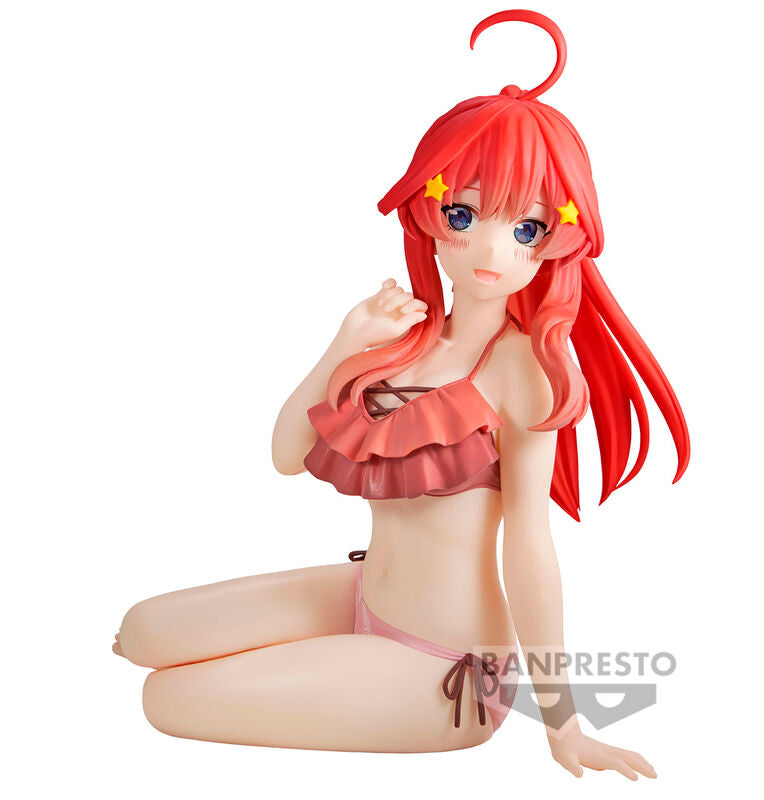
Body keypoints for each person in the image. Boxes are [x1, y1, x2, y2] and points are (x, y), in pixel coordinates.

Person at [113, 10, 688, 777]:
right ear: (430, 213)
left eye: (526, 228)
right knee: (142, 631)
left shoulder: (525, 368)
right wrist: (345, 342)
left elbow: (530, 544)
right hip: (364, 594)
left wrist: (564, 722)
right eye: (464, 214)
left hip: (448, 668)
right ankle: (334, 657)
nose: (491, 248)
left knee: (165, 699)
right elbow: (284, 455)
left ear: (559, 239)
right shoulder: (408, 340)